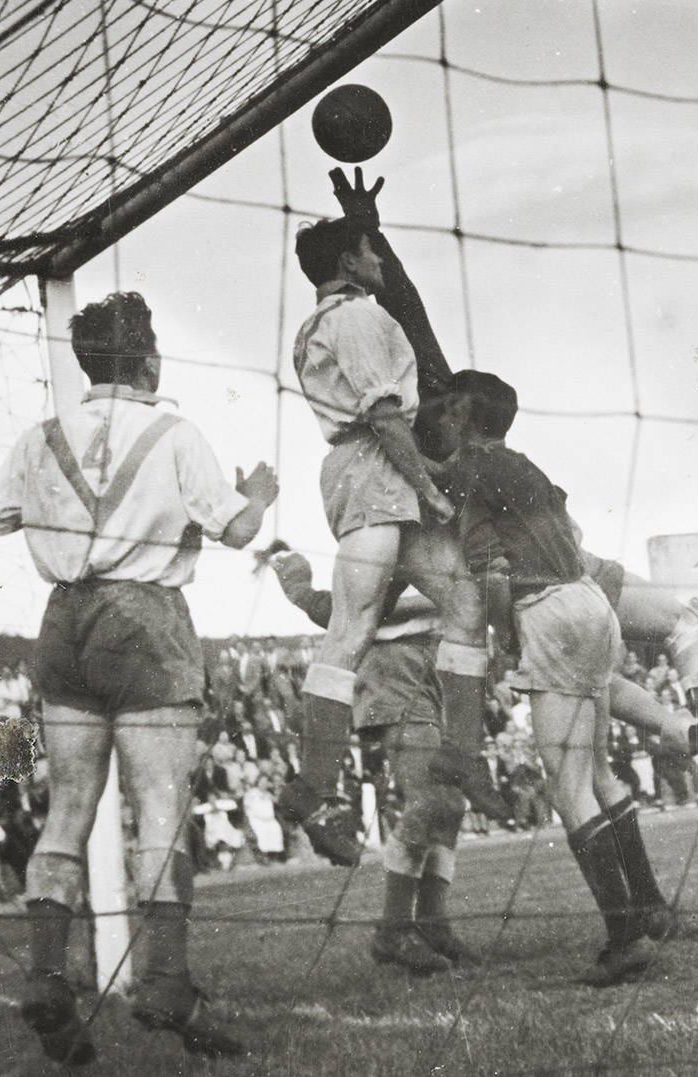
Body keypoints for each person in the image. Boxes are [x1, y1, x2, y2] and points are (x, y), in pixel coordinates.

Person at [319, 168, 698, 801]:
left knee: (595, 685)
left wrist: (365, 237)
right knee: (670, 632)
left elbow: (405, 312)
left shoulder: (382, 441)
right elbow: (409, 308)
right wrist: (369, 234)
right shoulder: (430, 405)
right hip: (537, 570)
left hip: (517, 580)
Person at [0, 291, 277, 1062]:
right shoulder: (172, 430)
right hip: (144, 617)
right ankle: (167, 981)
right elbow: (234, 528)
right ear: (147, 360)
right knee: (160, 808)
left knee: (68, 805)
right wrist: (260, 496)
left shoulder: (41, 436)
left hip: (64, 620)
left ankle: (46, 975)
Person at [281, 188, 503, 869]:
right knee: (349, 631)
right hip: (375, 469)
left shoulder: (350, 313)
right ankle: (310, 792)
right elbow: (382, 414)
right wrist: (429, 482)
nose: (379, 259)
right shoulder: (350, 319)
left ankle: (461, 757)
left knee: (465, 604)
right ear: (352, 259)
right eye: (371, 248)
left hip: (384, 472)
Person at [435, 370, 673, 986]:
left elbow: (490, 575)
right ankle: (646, 907)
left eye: (451, 412)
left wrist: (504, 641)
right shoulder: (527, 465)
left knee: (567, 785)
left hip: (548, 610)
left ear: (466, 417)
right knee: (596, 769)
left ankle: (624, 939)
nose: (444, 422)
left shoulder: (470, 471)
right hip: (591, 602)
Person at [270, 550, 473, 975]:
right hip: (394, 667)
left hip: (436, 663)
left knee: (451, 803)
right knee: (431, 798)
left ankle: (432, 921)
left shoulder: (436, 524)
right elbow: (350, 612)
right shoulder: (389, 532)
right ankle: (393, 931)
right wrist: (304, 595)